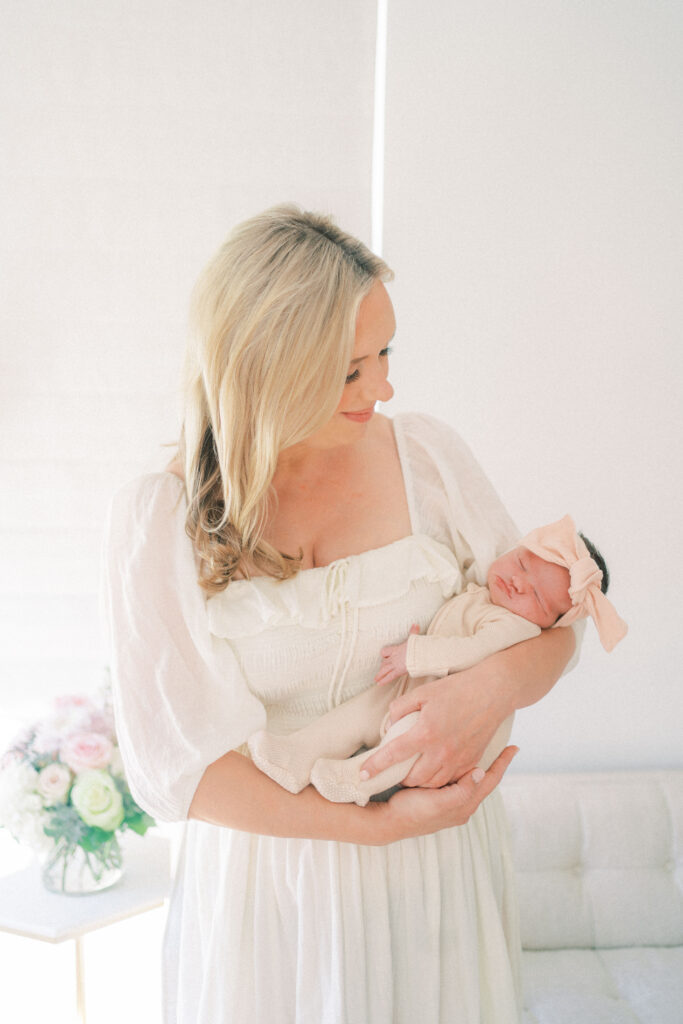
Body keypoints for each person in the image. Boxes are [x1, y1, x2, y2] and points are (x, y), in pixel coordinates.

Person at [103, 205, 580, 1024]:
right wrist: (374, 829)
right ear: (265, 371)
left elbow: (557, 625)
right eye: (349, 370)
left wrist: (487, 689)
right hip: (272, 893)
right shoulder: (160, 518)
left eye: (385, 354)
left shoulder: (426, 456)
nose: (382, 388)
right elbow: (179, 772)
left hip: (437, 875)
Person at [248, 515, 627, 806]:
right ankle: (297, 753)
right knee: (362, 710)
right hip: (419, 686)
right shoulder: (483, 592)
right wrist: (421, 637)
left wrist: (415, 653)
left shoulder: (516, 627)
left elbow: (471, 649)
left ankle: (358, 778)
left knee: (412, 734)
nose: (518, 582)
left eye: (538, 597)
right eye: (522, 564)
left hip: (447, 713)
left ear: (552, 624)